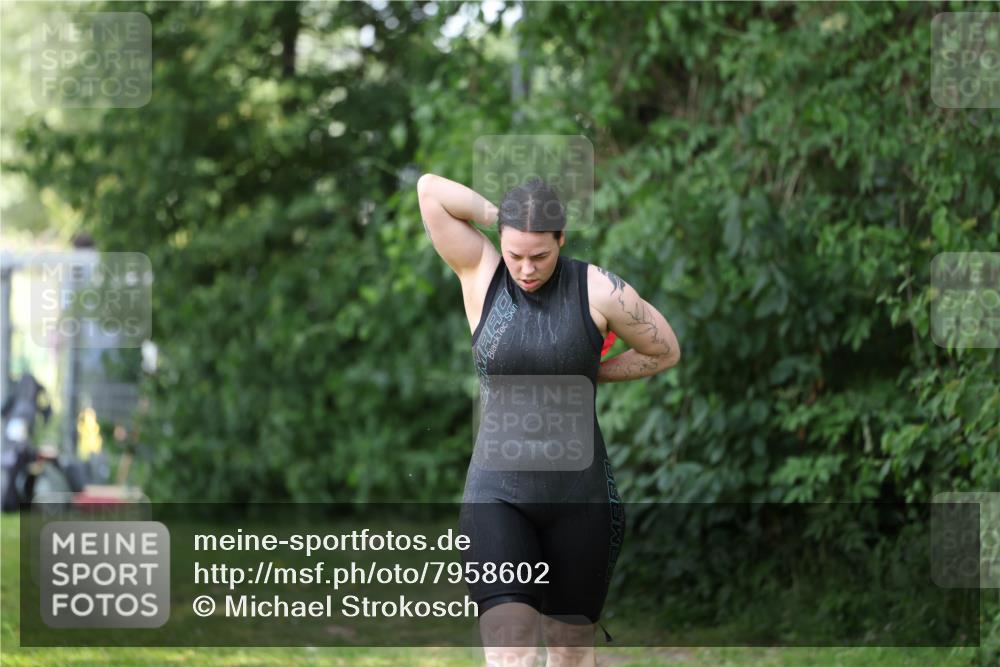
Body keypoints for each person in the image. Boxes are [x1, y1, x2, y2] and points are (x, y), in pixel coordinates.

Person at [417, 174, 680, 667]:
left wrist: (593, 372)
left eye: (539, 255)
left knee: (569, 657)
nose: (525, 268)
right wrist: (505, 216)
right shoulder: (481, 272)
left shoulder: (597, 288)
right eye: (515, 254)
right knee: (511, 651)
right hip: (499, 494)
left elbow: (664, 350)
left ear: (561, 238)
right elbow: (429, 189)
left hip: (579, 499)